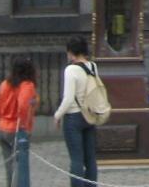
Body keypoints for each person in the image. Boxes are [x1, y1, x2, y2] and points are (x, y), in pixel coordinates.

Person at [54, 36, 98, 187]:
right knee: (90, 158)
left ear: (71, 52)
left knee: (76, 158)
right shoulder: (92, 66)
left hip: (73, 117)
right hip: (89, 114)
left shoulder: (70, 70)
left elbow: (68, 98)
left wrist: (57, 115)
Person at [0, 57, 38, 187]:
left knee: (10, 167)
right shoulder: (27, 85)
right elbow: (23, 106)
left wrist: (0, 121)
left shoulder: (4, 84)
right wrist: (25, 126)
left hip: (2, 127)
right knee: (20, 166)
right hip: (17, 129)